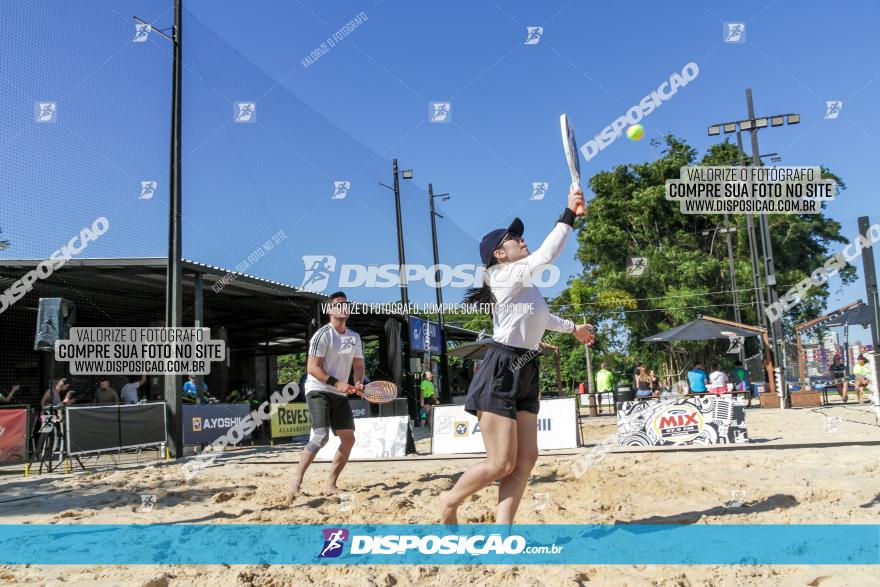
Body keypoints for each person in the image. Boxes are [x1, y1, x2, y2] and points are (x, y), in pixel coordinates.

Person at [439, 186, 594, 524]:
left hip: (526, 366)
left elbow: (542, 318)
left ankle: (503, 531)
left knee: (526, 458)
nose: (522, 240)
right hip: (501, 365)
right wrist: (567, 214)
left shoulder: (525, 284)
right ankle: (449, 502)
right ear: (500, 254)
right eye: (514, 238)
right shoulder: (502, 276)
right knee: (500, 464)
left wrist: (573, 329)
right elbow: (546, 255)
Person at [291, 291, 364, 495]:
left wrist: (357, 382)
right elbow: (312, 368)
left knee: (348, 439)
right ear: (331, 310)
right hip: (319, 389)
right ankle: (295, 483)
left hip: (339, 393)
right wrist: (337, 383)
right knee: (321, 437)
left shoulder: (354, 337)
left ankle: (330, 485)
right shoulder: (323, 334)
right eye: (338, 304)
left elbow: (358, 366)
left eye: (345, 304)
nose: (343, 307)